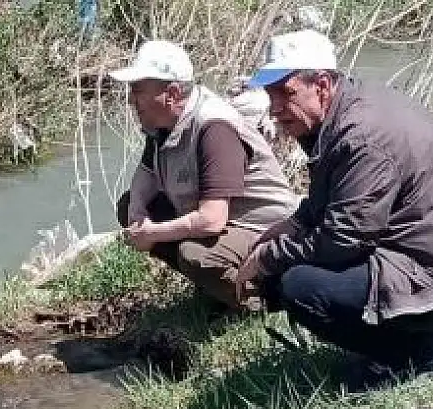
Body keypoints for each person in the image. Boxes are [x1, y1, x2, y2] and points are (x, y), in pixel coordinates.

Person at [235, 29, 433, 389]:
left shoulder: (361, 135)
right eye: (270, 94)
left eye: (287, 92)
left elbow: (344, 238)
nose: (276, 107)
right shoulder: (345, 111)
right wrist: (292, 225)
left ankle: (417, 356)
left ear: (323, 85)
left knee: (299, 286)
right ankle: (400, 342)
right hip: (426, 253)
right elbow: (336, 197)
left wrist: (269, 257)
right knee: (284, 270)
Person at [109, 40, 300, 311]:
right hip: (224, 222)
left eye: (138, 90)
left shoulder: (214, 127)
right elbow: (147, 171)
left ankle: (263, 302)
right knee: (129, 205)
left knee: (198, 254)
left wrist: (152, 232)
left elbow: (211, 220)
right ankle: (217, 288)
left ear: (171, 93)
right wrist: (138, 212)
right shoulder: (163, 122)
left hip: (264, 229)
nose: (131, 99)